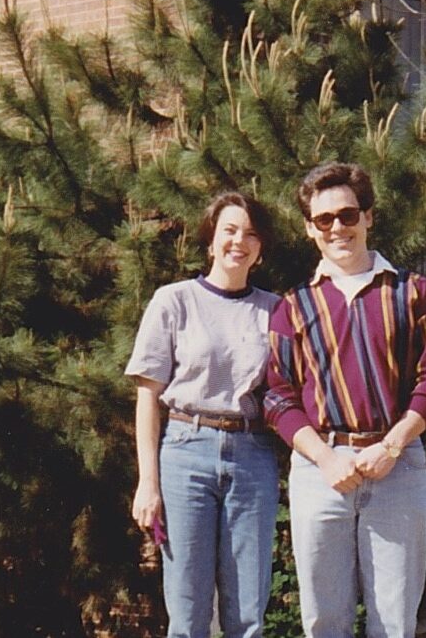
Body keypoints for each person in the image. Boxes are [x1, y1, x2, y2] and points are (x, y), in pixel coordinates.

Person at [264, 162, 426, 638]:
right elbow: (277, 394)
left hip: (397, 465)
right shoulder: (293, 306)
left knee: (393, 622)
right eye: (323, 220)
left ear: (368, 217)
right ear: (310, 229)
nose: (337, 228)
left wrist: (391, 446)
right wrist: (328, 459)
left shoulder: (414, 293)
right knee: (323, 620)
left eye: (347, 215)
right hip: (320, 470)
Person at [126, 192, 280, 638]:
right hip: (185, 453)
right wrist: (148, 483)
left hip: (252, 456)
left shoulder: (276, 310)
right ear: (211, 241)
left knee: (248, 609)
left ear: (261, 248)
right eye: (229, 230)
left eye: (251, 234)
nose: (239, 241)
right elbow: (147, 398)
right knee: (188, 608)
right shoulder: (173, 301)